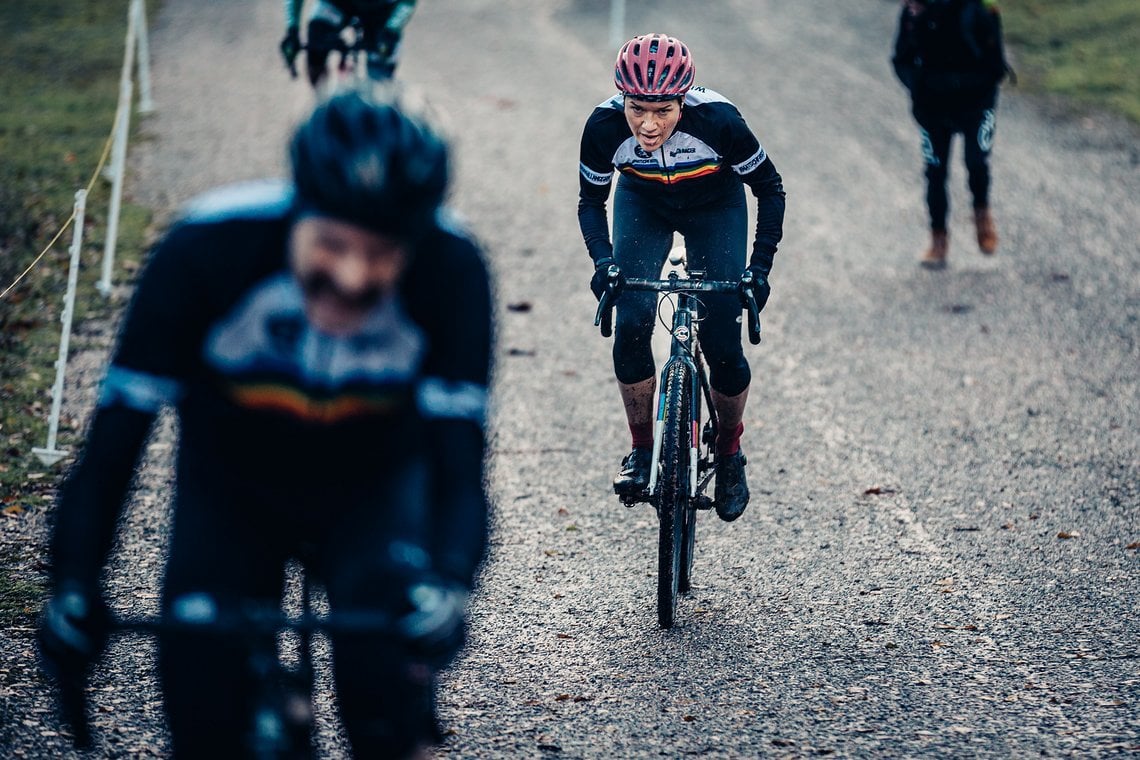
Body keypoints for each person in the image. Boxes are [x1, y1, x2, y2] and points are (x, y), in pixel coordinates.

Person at [37, 88, 494, 759]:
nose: (351, 274)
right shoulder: (205, 252)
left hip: (371, 491)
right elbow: (112, 448)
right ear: (295, 215)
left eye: (381, 254)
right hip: (231, 489)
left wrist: (451, 582)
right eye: (332, 244)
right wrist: (75, 582)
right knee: (205, 709)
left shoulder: (452, 271)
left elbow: (459, 466)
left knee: (385, 699)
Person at [578, 33, 786, 523]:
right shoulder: (604, 125)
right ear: (622, 100)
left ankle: (731, 454)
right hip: (643, 203)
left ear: (685, 101)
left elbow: (770, 190)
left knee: (722, 343)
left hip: (715, 204)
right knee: (630, 322)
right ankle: (643, 450)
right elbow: (591, 201)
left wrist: (758, 270)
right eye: (637, 109)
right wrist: (603, 262)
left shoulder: (720, 121)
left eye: (664, 110)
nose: (648, 125)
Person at [892, 0, 1011, 268]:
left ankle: (982, 216)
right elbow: (900, 60)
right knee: (935, 170)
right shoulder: (912, 14)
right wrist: (919, 87)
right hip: (933, 107)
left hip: (976, 103)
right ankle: (938, 241)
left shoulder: (976, 11)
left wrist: (959, 85)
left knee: (976, 162)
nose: (908, 5)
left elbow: (996, 67)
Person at [280, 0, 417, 85]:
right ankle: (322, 104)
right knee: (316, 40)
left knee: (380, 74)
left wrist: (392, 29)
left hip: (381, 10)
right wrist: (292, 30)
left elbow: (408, 2)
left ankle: (380, 109)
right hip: (339, 3)